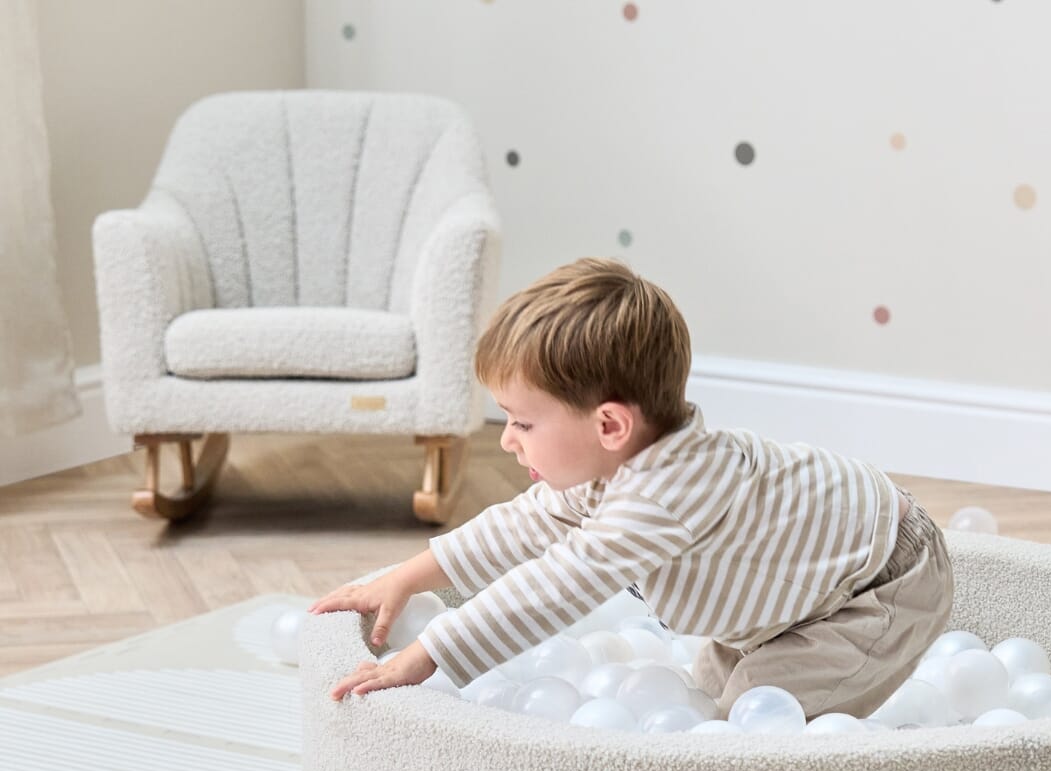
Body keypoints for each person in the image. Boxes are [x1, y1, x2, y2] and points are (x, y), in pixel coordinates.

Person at [312, 257, 953, 719]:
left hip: (879, 588)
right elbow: (522, 526)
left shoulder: (667, 491)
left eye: (522, 423)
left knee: (748, 722)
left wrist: (430, 654)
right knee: (700, 699)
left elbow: (559, 584)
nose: (506, 440)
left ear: (610, 426)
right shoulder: (613, 465)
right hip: (804, 589)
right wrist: (406, 577)